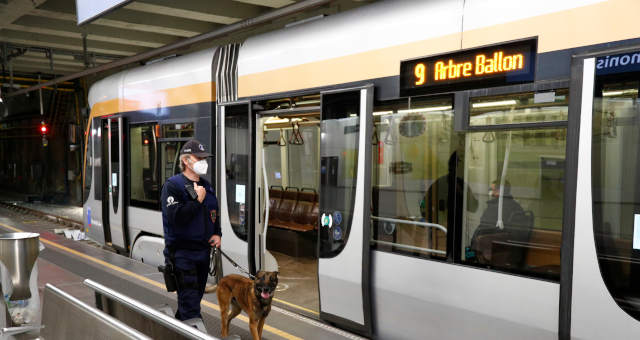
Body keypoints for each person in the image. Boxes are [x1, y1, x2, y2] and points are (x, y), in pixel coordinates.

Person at [161, 139, 221, 322]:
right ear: (186, 161)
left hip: (203, 253)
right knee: (190, 304)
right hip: (182, 255)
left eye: (205, 158)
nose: (204, 161)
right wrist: (196, 202)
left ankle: (175, 329)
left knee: (193, 300)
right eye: (199, 158)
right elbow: (176, 218)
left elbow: (213, 213)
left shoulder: (207, 186)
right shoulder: (173, 186)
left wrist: (217, 233)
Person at [469, 179, 529, 264]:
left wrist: (471, 249)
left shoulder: (495, 208)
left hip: (496, 250)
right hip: (513, 251)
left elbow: (483, 227)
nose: (491, 193)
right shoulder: (517, 206)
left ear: (499, 191)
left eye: (492, 190)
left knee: (469, 249)